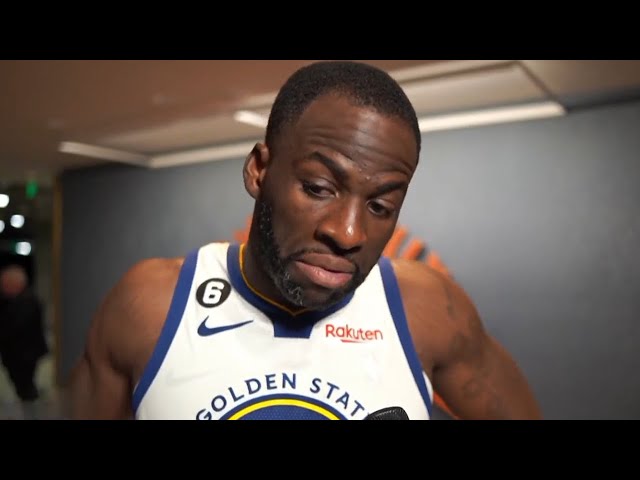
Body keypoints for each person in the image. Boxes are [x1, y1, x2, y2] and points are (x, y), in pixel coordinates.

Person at [68, 60, 542, 420]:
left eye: (380, 206)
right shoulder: (149, 307)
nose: (348, 233)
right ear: (259, 170)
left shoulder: (428, 311)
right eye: (318, 188)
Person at [0, 264, 49, 418]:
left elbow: (14, 327)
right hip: (18, 354)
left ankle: (32, 414)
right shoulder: (13, 301)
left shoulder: (28, 302)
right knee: (23, 386)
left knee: (26, 387)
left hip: (25, 354)